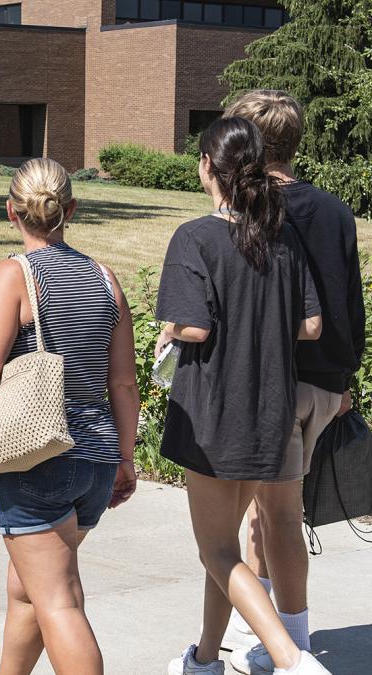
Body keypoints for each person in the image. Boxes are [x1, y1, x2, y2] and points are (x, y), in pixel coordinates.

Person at [156, 117, 329, 675]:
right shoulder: (280, 239)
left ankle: (290, 659)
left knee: (217, 551)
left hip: (212, 416)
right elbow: (312, 325)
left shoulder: (195, 238)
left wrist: (168, 332)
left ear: (208, 166)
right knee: (224, 549)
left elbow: (196, 327)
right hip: (269, 413)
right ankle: (205, 659)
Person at [0, 158, 139, 674]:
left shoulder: (14, 274)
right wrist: (124, 458)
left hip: (38, 455)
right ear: (72, 210)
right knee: (27, 589)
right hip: (97, 459)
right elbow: (122, 383)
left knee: (58, 598)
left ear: (10, 211)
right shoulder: (105, 278)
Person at [220, 90, 366, 674]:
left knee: (273, 515)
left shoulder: (255, 208)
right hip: (327, 380)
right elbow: (348, 299)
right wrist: (346, 376)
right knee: (268, 511)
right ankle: (252, 630)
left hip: (275, 383)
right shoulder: (333, 208)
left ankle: (291, 645)